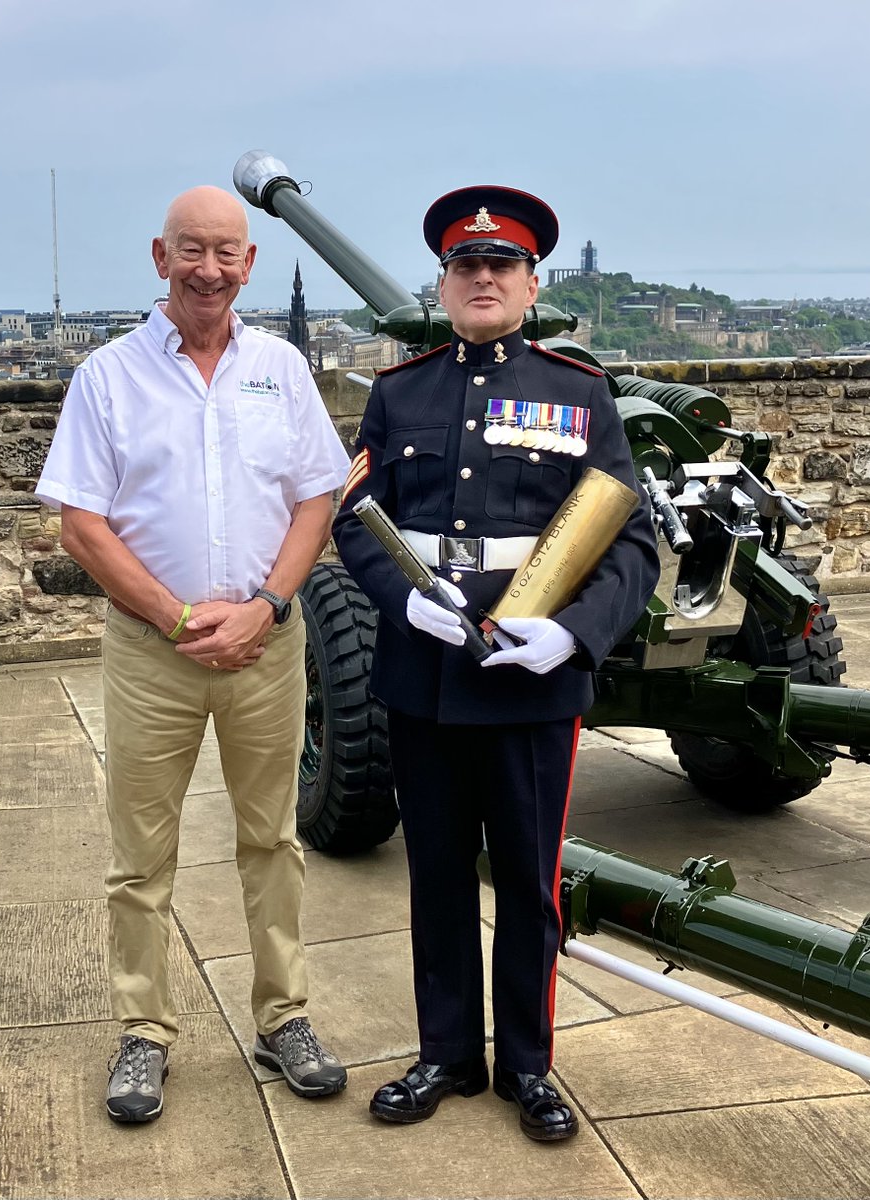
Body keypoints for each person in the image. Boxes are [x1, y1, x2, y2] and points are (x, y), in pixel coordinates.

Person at [333, 186, 660, 1141]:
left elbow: (630, 542)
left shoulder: (579, 392)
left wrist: (577, 633)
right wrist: (400, 603)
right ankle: (444, 1055)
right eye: (466, 266)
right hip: (425, 678)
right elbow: (356, 521)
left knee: (527, 880)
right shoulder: (399, 393)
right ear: (443, 284)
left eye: (502, 266)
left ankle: (528, 1065)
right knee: (434, 875)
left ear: (530, 285)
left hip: (533, 681)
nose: (483, 277)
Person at [35, 185, 352, 1123]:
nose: (208, 269)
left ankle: (283, 1015)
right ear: (159, 256)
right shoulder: (108, 376)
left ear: (249, 264)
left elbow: (316, 501)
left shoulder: (282, 370)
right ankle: (144, 1032)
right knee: (141, 856)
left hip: (266, 644)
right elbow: (82, 528)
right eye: (190, 251)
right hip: (152, 652)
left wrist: (266, 605)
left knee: (273, 841)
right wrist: (178, 620)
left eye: (226, 252)